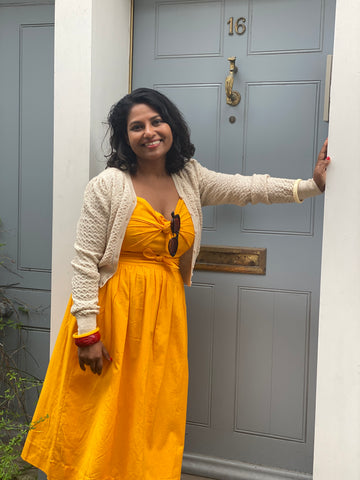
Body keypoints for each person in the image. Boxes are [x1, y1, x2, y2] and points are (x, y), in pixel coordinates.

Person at [22, 88, 329, 480]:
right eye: (136, 126)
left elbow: (247, 188)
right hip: (112, 315)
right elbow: (84, 263)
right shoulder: (108, 185)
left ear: (171, 126)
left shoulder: (189, 177)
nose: (149, 132)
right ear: (124, 136)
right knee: (99, 414)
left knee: (152, 412)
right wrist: (87, 333)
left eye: (156, 121)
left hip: (163, 318)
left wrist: (310, 185)